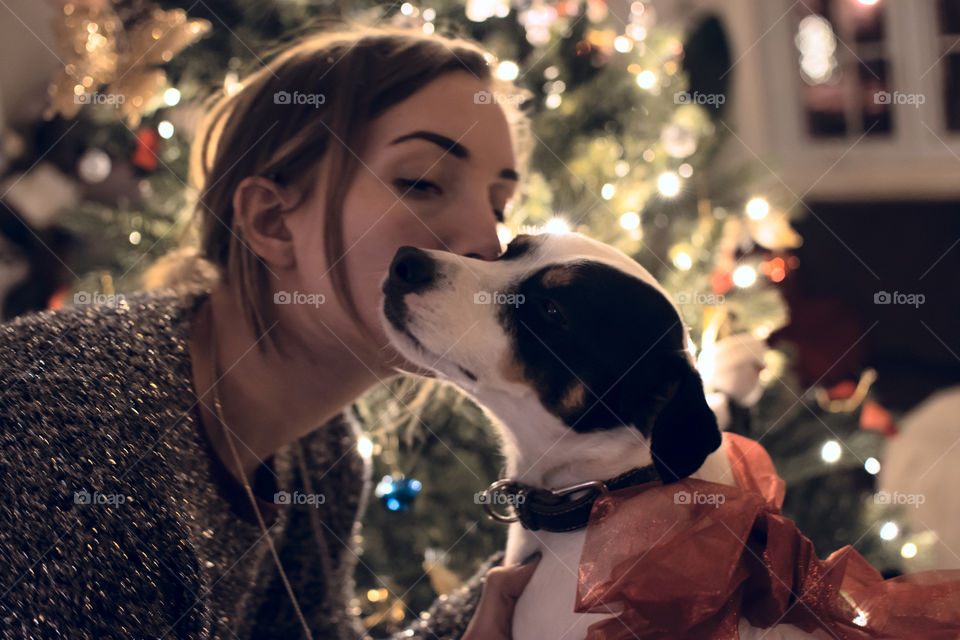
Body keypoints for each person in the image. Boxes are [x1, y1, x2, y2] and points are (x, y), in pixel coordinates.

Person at [0, 25, 539, 639]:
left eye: (499, 206)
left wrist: (532, 568)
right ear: (272, 220)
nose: (487, 246)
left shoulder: (323, 455)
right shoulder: (71, 423)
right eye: (421, 182)